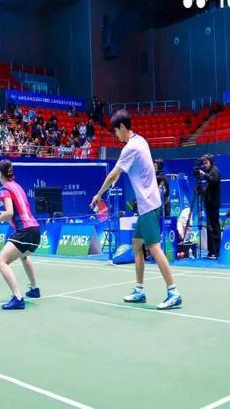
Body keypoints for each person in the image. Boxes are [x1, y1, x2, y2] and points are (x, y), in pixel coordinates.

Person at [90, 110, 182, 310]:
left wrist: (98, 194)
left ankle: (173, 292)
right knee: (136, 243)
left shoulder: (130, 148)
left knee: (154, 247)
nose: (116, 135)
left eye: (116, 131)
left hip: (148, 205)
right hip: (149, 203)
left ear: (122, 127)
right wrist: (114, 180)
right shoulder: (141, 141)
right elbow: (120, 173)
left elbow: (113, 174)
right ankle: (139, 290)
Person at [0, 160, 41, 310]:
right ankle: (34, 289)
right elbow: (16, 213)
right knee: (24, 256)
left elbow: (9, 212)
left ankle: (18, 298)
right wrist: (5, 217)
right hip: (36, 232)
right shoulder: (18, 187)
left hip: (25, 232)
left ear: (0, 174)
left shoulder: (4, 189)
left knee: (1, 261)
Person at [198, 154, 221, 259]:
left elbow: (214, 180)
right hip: (209, 204)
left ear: (211, 162)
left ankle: (216, 252)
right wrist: (201, 190)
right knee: (209, 228)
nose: (205, 165)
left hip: (213, 204)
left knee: (214, 227)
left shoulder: (214, 170)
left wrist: (204, 175)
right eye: (204, 163)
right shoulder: (209, 172)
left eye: (206, 163)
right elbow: (208, 191)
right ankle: (211, 251)